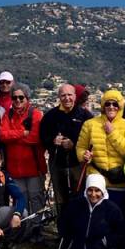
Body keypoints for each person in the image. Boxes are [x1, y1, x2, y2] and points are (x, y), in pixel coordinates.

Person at [57, 173, 125, 249]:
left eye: (97, 191)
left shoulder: (112, 209)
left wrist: (106, 242)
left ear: (103, 191)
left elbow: (119, 232)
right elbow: (63, 223)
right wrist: (70, 242)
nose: (93, 194)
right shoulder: (76, 204)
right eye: (90, 190)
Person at [76, 89, 125, 213]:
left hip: (119, 182)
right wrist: (84, 155)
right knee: (94, 216)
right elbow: (80, 147)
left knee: (117, 216)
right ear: (103, 106)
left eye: (115, 104)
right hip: (96, 181)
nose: (111, 107)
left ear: (120, 106)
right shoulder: (90, 125)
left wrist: (112, 133)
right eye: (107, 104)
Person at [0, 83, 46, 241]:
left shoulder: (36, 114)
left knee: (36, 199)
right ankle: (24, 230)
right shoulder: (8, 115)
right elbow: (3, 135)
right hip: (15, 169)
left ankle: (37, 229)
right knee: (21, 201)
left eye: (21, 98)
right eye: (14, 98)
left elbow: (35, 138)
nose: (17, 101)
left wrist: (15, 136)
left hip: (33, 167)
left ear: (27, 98)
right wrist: (21, 133)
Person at [39, 83, 93, 215]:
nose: (67, 98)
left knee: (79, 197)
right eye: (63, 95)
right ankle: (63, 230)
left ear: (75, 96)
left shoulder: (85, 116)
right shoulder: (50, 116)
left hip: (78, 164)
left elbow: (93, 138)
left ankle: (78, 230)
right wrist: (53, 141)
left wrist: (74, 143)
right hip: (58, 163)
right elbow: (42, 137)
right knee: (60, 198)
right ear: (59, 97)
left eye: (70, 95)